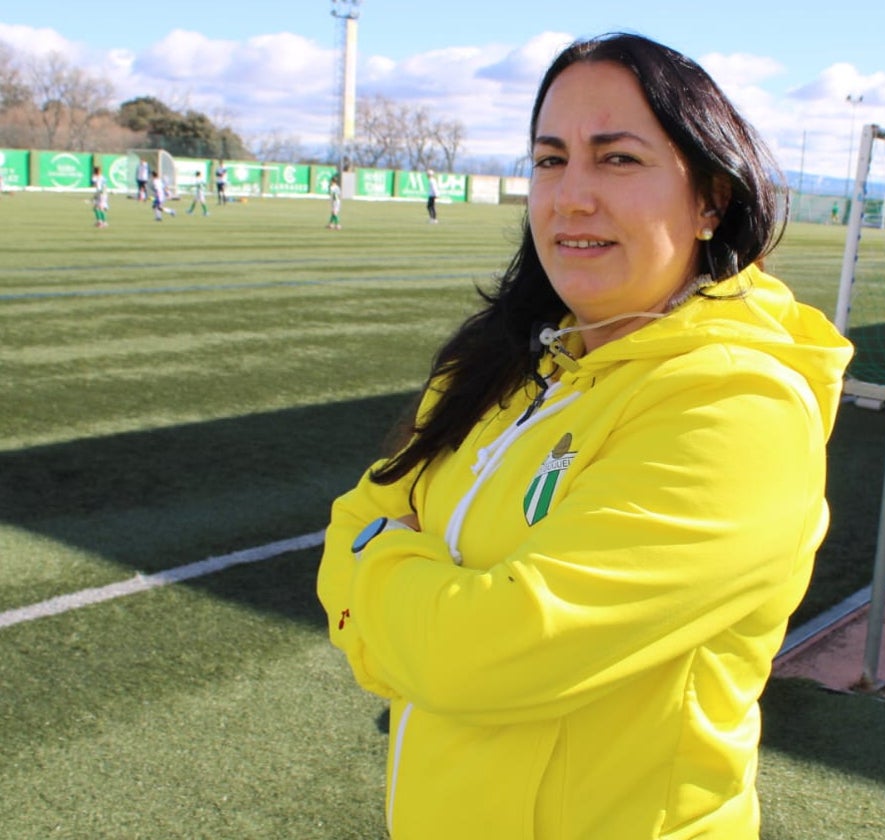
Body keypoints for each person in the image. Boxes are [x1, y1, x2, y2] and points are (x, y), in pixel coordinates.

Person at [317, 32, 852, 840]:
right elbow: (352, 518)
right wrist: (410, 590)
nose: (570, 196)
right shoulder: (513, 362)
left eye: (618, 159)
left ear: (709, 197)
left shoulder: (738, 409)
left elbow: (482, 654)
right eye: (550, 159)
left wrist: (380, 564)